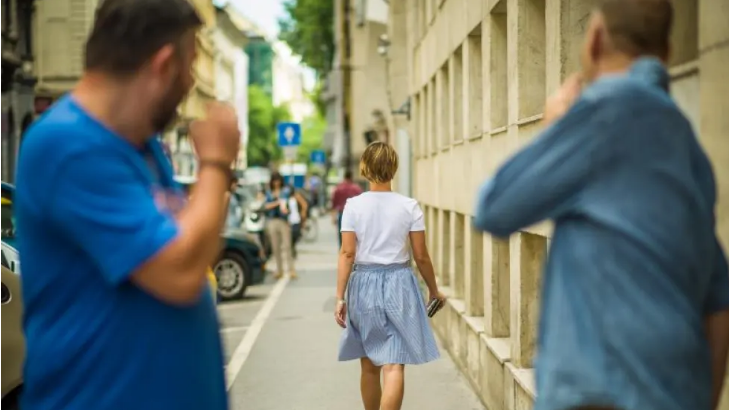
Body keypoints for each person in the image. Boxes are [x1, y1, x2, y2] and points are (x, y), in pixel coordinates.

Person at [472, 1, 729, 410]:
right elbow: (718, 302)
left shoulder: (604, 112)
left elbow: (494, 206)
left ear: (594, 39)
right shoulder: (685, 141)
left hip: (601, 394)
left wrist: (553, 128)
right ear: (665, 50)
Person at [14, 1, 239, 409]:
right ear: (164, 64)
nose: (191, 81)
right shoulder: (68, 145)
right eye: (189, 64)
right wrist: (216, 163)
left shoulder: (141, 146)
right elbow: (181, 271)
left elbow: (198, 247)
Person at [335, 141, 445, 410]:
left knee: (369, 364)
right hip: (400, 284)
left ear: (364, 168)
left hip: (363, 285)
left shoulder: (353, 206)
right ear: (393, 168)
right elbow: (421, 256)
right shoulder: (409, 207)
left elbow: (347, 254)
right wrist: (434, 290)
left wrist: (339, 297)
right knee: (394, 366)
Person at [264, 172, 296, 279]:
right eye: (274, 181)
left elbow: (287, 204)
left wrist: (286, 209)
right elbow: (266, 206)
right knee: (275, 247)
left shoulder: (285, 191)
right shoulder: (269, 193)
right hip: (273, 220)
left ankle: (291, 270)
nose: (276, 183)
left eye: (278, 181)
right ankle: (279, 270)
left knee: (287, 246)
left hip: (283, 220)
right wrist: (276, 202)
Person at [331, 169, 363, 246]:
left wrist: (333, 217)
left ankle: (342, 253)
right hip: (355, 215)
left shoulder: (338, 188)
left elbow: (334, 203)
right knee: (355, 238)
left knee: (341, 237)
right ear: (352, 177)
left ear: (344, 177)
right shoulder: (357, 188)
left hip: (342, 214)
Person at [286, 184, 309, 259]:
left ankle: (293, 249)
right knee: (290, 237)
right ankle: (292, 251)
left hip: (296, 219)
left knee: (295, 235)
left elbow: (304, 205)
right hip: (289, 220)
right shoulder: (286, 198)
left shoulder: (297, 196)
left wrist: (303, 214)